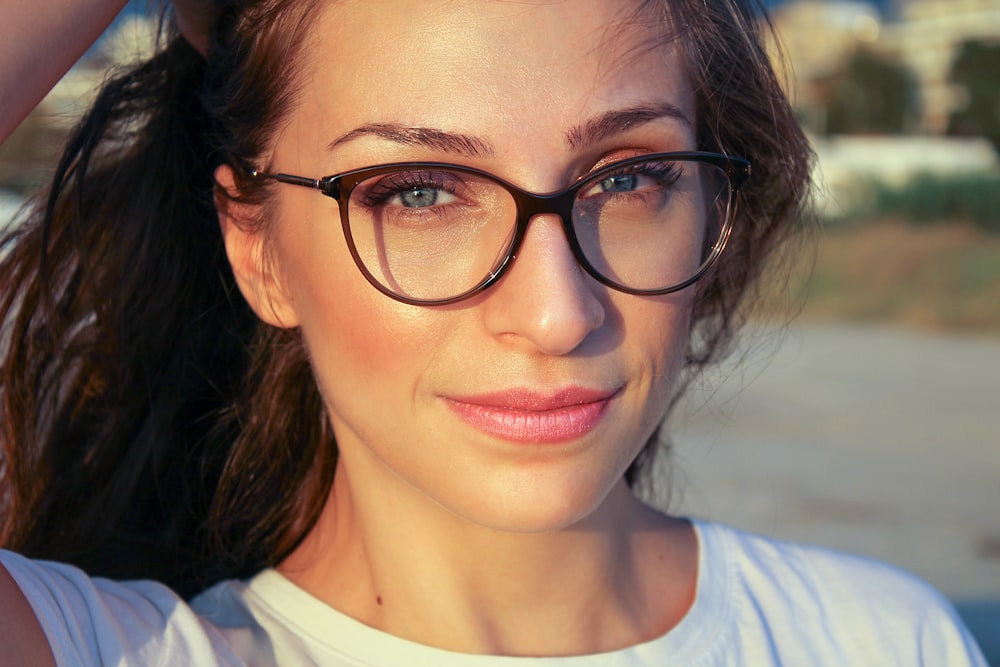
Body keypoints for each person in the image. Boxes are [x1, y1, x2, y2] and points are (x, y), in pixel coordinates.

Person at [0, 0, 987, 664]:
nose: (558, 312)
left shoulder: (874, 640)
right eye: (420, 192)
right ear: (256, 247)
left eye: (629, 177)